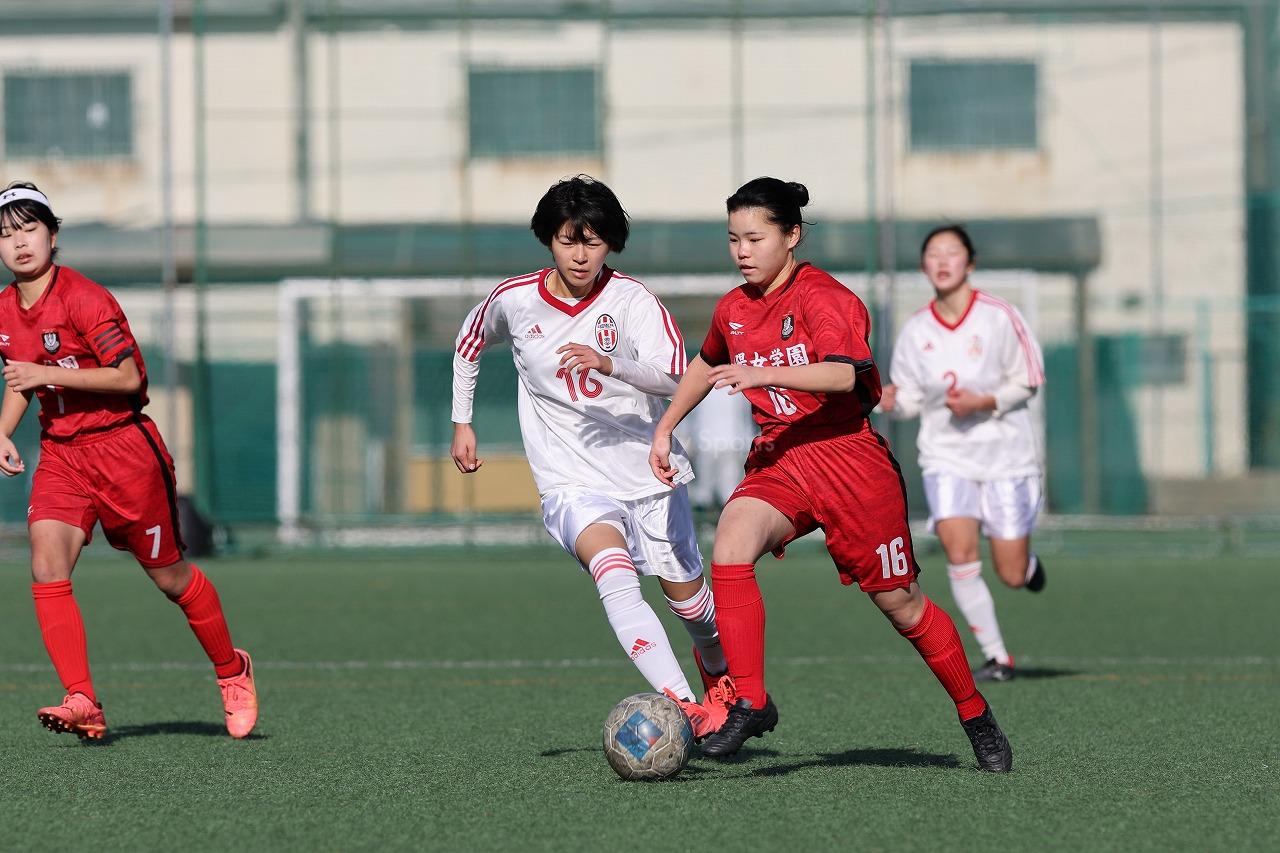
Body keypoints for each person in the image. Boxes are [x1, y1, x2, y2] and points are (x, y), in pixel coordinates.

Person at [649, 177, 1013, 771]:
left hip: (849, 461)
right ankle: (751, 703)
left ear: (791, 236)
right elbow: (707, 363)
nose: (742, 250)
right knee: (731, 546)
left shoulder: (826, 298)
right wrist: (665, 427)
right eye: (733, 238)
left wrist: (763, 373)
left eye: (755, 237)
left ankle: (975, 713)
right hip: (785, 456)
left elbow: (844, 376)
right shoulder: (733, 309)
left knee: (903, 606)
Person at [450, 175, 732, 737]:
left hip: (648, 471)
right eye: (567, 240)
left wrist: (612, 365)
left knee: (691, 604)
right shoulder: (514, 299)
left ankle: (718, 673)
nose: (580, 255)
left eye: (594, 241)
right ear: (548, 239)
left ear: (612, 242)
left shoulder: (634, 301)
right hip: (570, 479)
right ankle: (686, 706)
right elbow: (470, 341)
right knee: (614, 574)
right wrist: (463, 420)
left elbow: (676, 377)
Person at [0, 181, 257, 740]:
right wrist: (3, 431)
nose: (18, 242)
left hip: (123, 450)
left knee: (170, 579)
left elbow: (128, 378)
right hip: (63, 455)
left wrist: (47, 373)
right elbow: (22, 377)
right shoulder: (4, 309)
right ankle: (83, 699)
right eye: (6, 234)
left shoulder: (85, 297)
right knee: (46, 566)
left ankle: (231, 669)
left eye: (29, 228)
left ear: (53, 234)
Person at [879, 225, 1047, 682]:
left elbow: (1029, 378)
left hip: (1005, 457)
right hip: (945, 456)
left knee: (1010, 572)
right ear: (923, 266)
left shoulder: (999, 316)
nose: (943, 260)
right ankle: (997, 656)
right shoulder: (915, 331)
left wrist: (984, 401)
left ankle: (1028, 568)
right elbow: (913, 399)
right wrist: (895, 401)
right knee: (959, 552)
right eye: (933, 253)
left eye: (952, 252)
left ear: (970, 263)